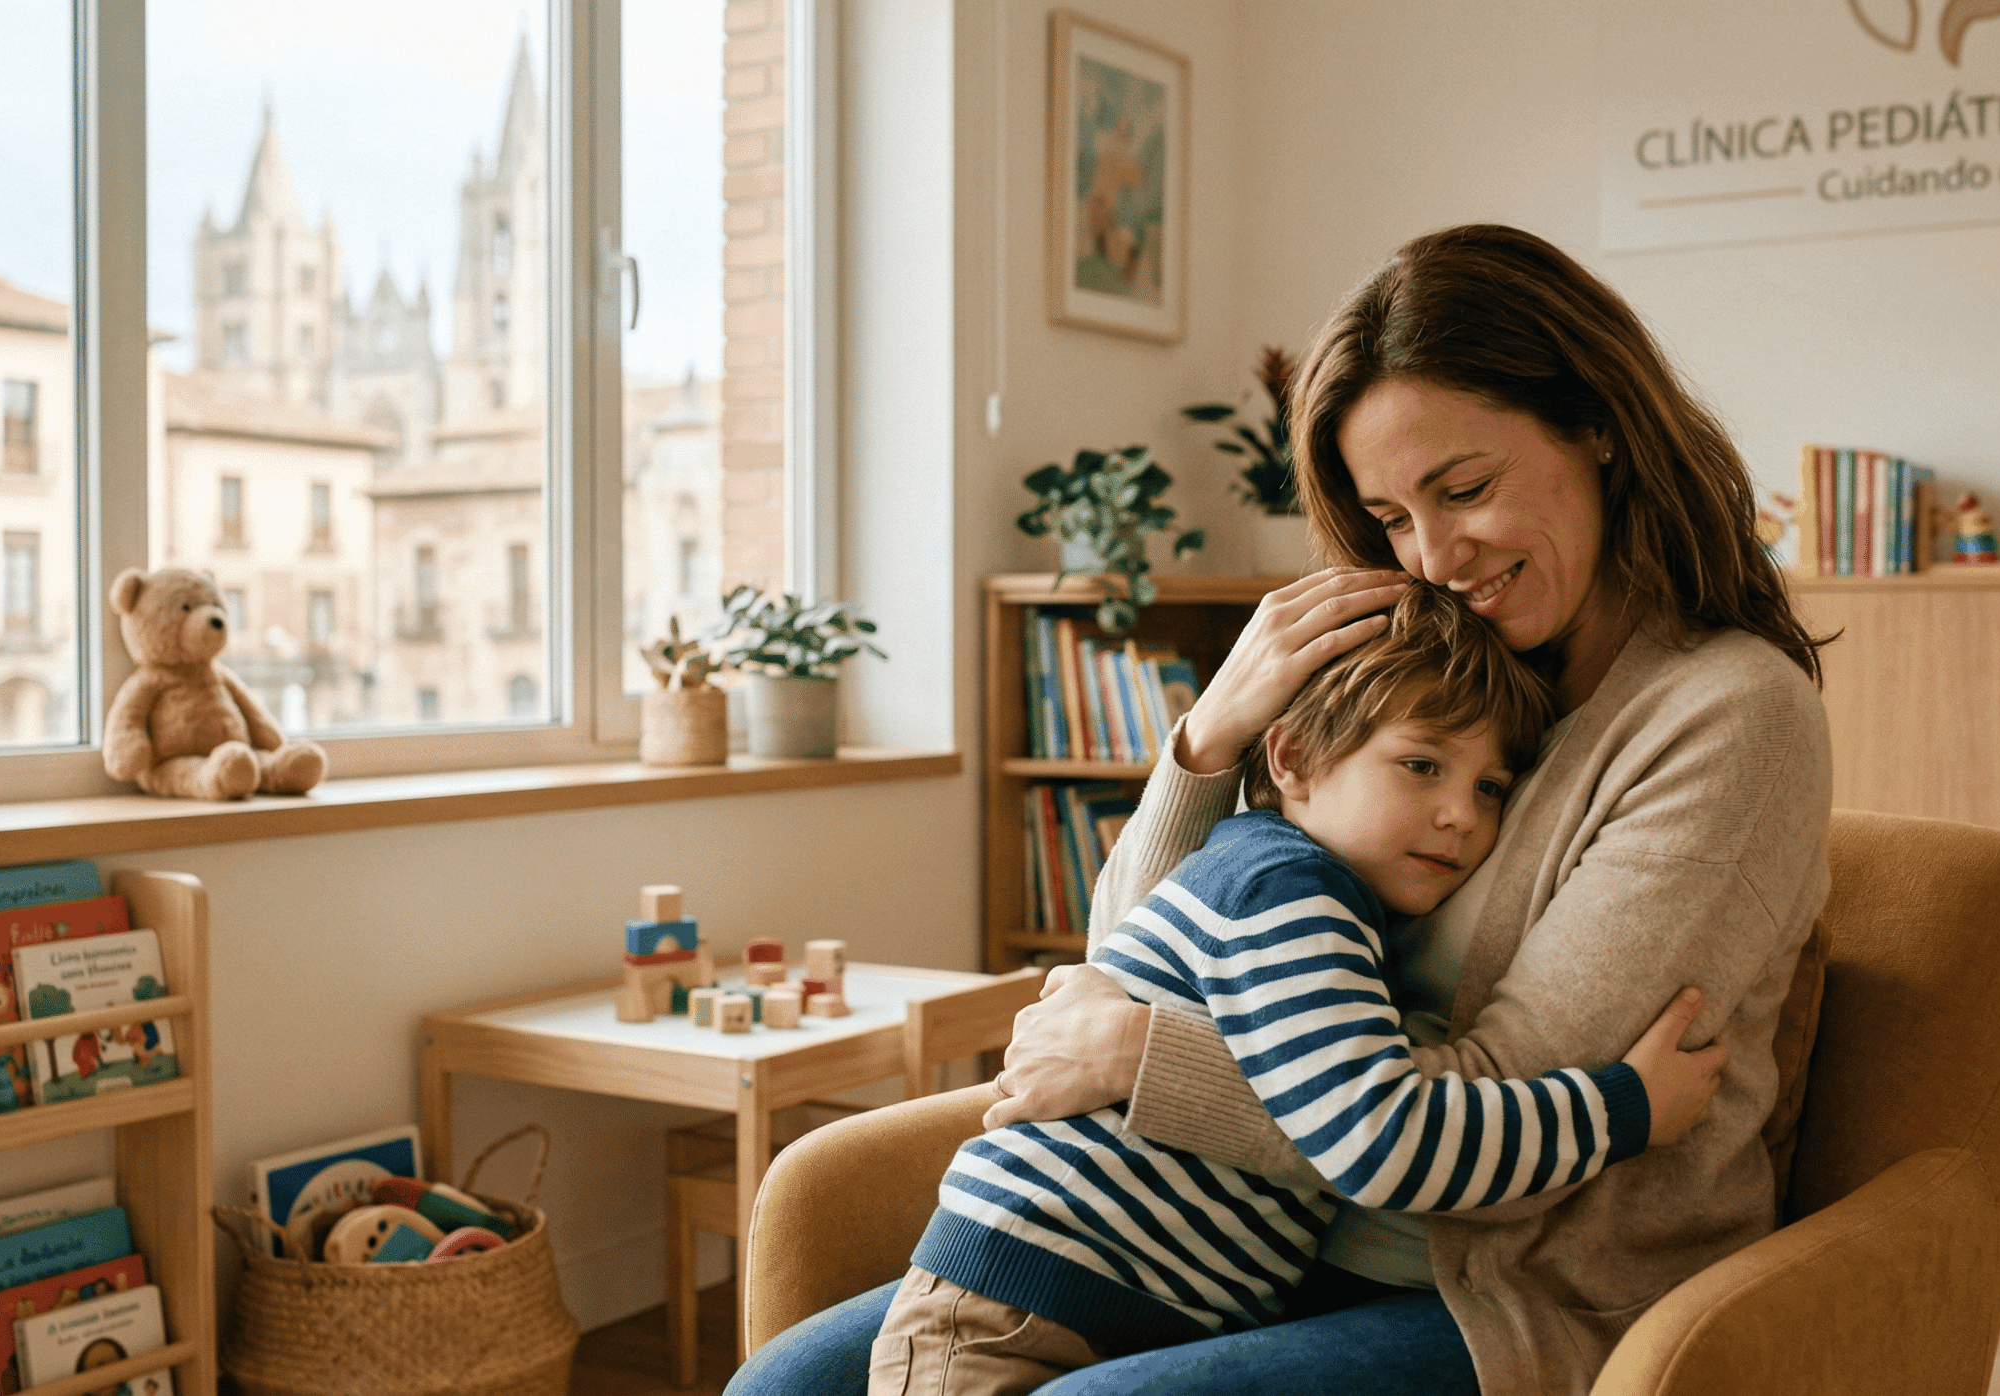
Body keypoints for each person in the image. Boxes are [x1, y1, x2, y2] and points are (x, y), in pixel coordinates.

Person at [732, 223, 1831, 1396]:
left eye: (1464, 488)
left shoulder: (1726, 715)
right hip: (1259, 1251)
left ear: (1599, 426)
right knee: (783, 1388)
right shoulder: (1444, 680)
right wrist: (1211, 740)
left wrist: (1144, 1059)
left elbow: (1496, 1094)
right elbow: (1139, 955)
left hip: (1516, 1287)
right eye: (1393, 518)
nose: (1435, 556)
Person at [869, 583, 1727, 1395]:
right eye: (1422, 765)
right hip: (1027, 1309)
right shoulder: (1286, 892)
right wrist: (1624, 1109)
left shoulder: (1308, 893)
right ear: (1293, 760)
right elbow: (1383, 1139)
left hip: (1101, 1307)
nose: (1462, 814)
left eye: (1490, 786)